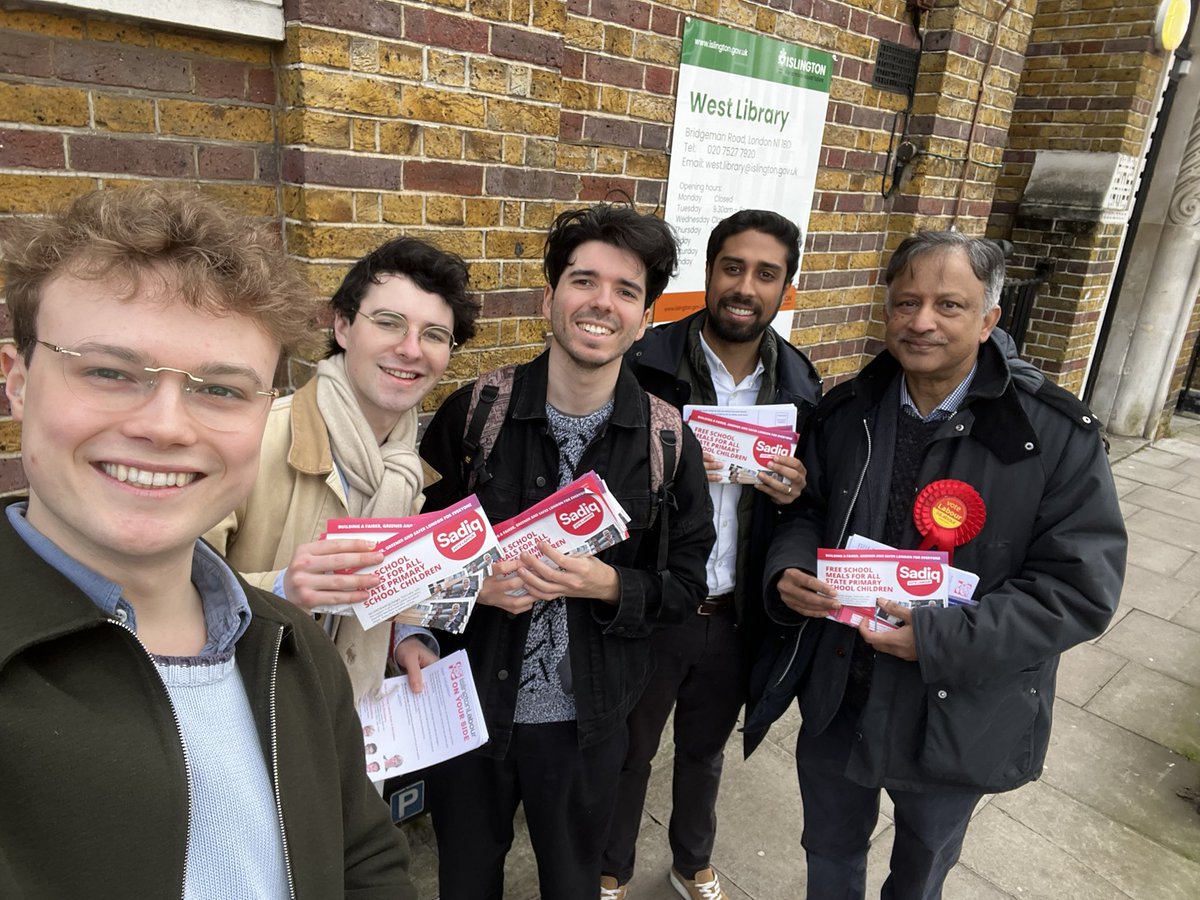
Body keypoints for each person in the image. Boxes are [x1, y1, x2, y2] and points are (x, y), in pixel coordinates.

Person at [0, 186, 414, 898]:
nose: (166, 427)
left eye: (220, 390)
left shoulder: (294, 647)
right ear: (17, 381)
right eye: (108, 371)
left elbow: (365, 855)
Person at [763, 230, 1126, 899]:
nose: (921, 321)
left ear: (989, 320)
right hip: (842, 692)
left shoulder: (1051, 435)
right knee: (829, 854)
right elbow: (804, 509)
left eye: (949, 306)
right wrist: (788, 567)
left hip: (958, 707)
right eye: (906, 302)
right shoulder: (847, 413)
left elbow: (1079, 589)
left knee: (922, 871)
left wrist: (934, 637)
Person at [418, 203, 716, 900]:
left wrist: (607, 586)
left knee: (574, 884)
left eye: (626, 290)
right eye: (584, 281)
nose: (601, 303)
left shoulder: (667, 442)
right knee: (463, 881)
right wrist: (472, 586)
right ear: (551, 298)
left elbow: (684, 585)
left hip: (586, 725)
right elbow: (410, 559)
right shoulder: (475, 414)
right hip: (468, 711)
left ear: (645, 318)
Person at [601, 209, 822, 900]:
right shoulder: (648, 363)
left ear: (785, 287)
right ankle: (610, 867)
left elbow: (807, 512)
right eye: (733, 267)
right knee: (629, 751)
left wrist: (796, 493)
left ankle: (691, 858)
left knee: (705, 749)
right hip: (658, 599)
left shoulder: (799, 384)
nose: (745, 286)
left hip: (732, 610)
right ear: (709, 272)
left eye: (765, 273)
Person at [205, 236, 479, 701]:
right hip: (256, 719)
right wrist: (281, 588)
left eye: (434, 334)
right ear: (343, 327)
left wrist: (405, 639)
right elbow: (158, 591)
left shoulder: (406, 470)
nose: (411, 349)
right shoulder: (251, 437)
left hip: (353, 731)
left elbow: (381, 595)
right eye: (389, 323)